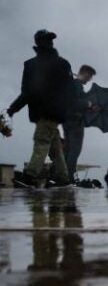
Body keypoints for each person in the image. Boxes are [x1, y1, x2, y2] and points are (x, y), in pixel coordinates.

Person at [6, 29, 76, 188]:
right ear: (39, 42)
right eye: (47, 39)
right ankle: (63, 178)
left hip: (47, 113)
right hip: (53, 112)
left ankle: (30, 176)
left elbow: (28, 92)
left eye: (50, 39)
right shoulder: (61, 64)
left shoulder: (34, 65)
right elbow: (28, 92)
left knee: (41, 141)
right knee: (55, 146)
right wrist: (13, 109)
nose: (50, 42)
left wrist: (13, 109)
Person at [63, 64, 97, 184]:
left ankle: (64, 176)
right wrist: (88, 104)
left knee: (68, 150)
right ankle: (69, 177)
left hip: (66, 121)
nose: (90, 79)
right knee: (74, 151)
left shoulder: (71, 84)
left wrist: (89, 107)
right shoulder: (77, 85)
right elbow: (75, 103)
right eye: (90, 76)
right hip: (75, 121)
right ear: (86, 73)